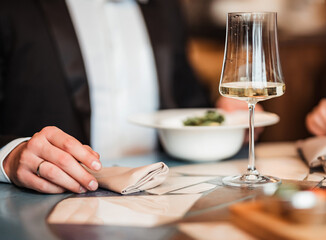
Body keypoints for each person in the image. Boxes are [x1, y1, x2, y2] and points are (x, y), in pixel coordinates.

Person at [0, 0, 254, 194]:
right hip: (43, 207)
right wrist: (9, 157)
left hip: (164, 198)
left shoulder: (165, 6)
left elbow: (188, 102)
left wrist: (224, 119)